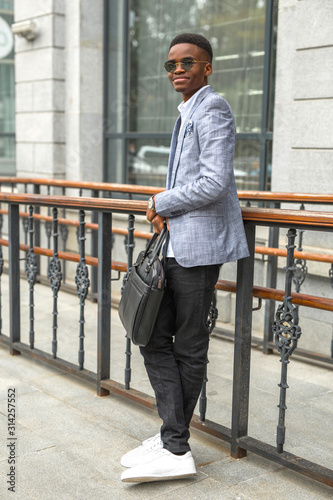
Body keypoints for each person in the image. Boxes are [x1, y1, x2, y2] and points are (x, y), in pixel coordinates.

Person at [121, 33, 249, 483]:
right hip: (177, 244)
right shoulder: (188, 111)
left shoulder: (212, 107)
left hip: (198, 251)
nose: (177, 69)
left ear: (207, 67)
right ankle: (173, 434)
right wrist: (166, 211)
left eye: (188, 62)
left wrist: (161, 200)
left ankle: (176, 448)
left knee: (189, 347)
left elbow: (215, 181)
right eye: (171, 64)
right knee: (151, 335)